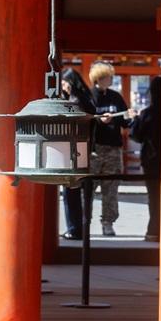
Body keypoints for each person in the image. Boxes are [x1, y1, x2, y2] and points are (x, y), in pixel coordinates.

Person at [86, 62, 131, 237]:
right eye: (108, 76)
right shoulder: (89, 97)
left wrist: (130, 116)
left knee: (111, 188)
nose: (111, 79)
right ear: (99, 78)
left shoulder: (116, 97)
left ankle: (108, 222)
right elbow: (83, 121)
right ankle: (84, 222)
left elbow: (126, 121)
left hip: (113, 149)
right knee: (88, 188)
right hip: (94, 149)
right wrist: (98, 120)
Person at [59, 68, 96, 240]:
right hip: (84, 150)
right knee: (79, 193)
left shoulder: (74, 102)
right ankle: (79, 227)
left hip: (72, 150)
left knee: (70, 193)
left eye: (65, 83)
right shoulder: (87, 100)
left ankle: (74, 228)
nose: (63, 86)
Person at [131, 77, 161, 241]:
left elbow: (136, 136)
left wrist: (135, 120)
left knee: (154, 197)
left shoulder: (148, 113)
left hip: (151, 161)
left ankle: (154, 230)